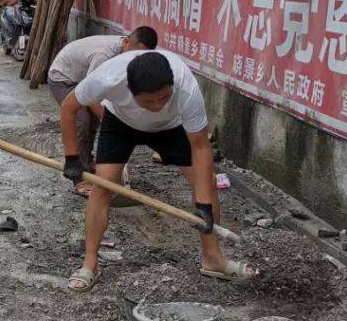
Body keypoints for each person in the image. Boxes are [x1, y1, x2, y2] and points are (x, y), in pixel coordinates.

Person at [58, 50, 261, 292]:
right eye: (148, 101)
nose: (156, 105)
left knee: (204, 182)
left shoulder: (186, 88)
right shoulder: (107, 77)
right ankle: (90, 263)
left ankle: (213, 258)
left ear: (172, 86)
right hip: (120, 123)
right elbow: (68, 108)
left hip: (170, 127)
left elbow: (201, 147)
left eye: (164, 97)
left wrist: (204, 205)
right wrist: (72, 158)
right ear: (129, 89)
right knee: (103, 186)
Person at [47, 26, 158, 197]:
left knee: (94, 121)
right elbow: (91, 95)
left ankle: (88, 161)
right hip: (64, 78)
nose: (136, 59)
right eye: (135, 54)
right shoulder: (104, 56)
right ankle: (79, 177)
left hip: (83, 79)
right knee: (81, 121)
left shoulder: (128, 54)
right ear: (126, 42)